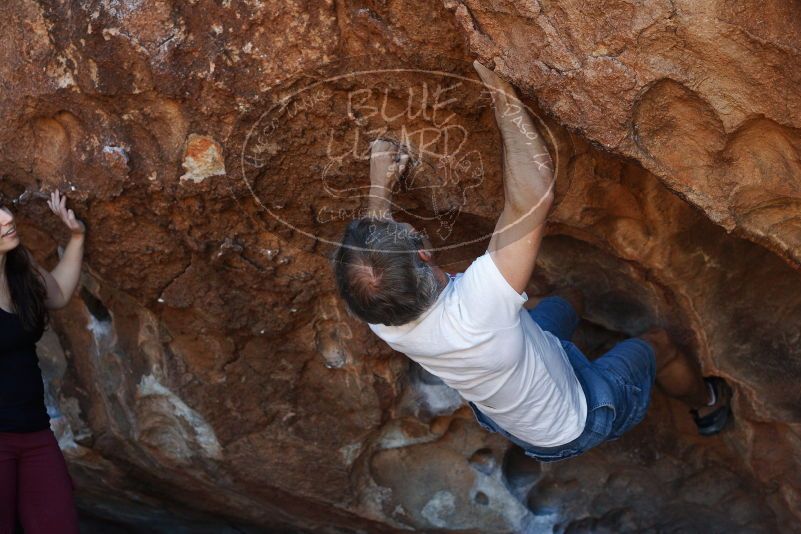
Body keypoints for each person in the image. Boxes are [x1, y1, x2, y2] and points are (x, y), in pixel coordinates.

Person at [332, 60, 732, 463]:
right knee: (657, 345)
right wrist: (503, 97)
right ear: (423, 253)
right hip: (579, 418)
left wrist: (378, 180)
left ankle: (570, 333)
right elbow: (534, 196)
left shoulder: (379, 308)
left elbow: (373, 256)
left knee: (568, 299)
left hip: (508, 406)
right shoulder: (478, 308)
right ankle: (708, 402)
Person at [0, 190, 83, 532]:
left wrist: (76, 235)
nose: (7, 217)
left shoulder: (20, 267)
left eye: (2, 209)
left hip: (35, 433)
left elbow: (59, 294)